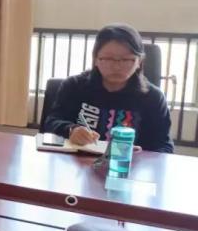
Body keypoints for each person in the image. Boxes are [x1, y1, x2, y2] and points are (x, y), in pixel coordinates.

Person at [43, 23, 174, 153]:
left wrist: (144, 156)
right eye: (108, 59)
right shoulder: (74, 87)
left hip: (128, 164)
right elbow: (51, 122)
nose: (116, 67)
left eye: (126, 60)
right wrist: (71, 130)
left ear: (139, 61)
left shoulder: (153, 98)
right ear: (95, 59)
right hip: (77, 161)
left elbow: (164, 146)